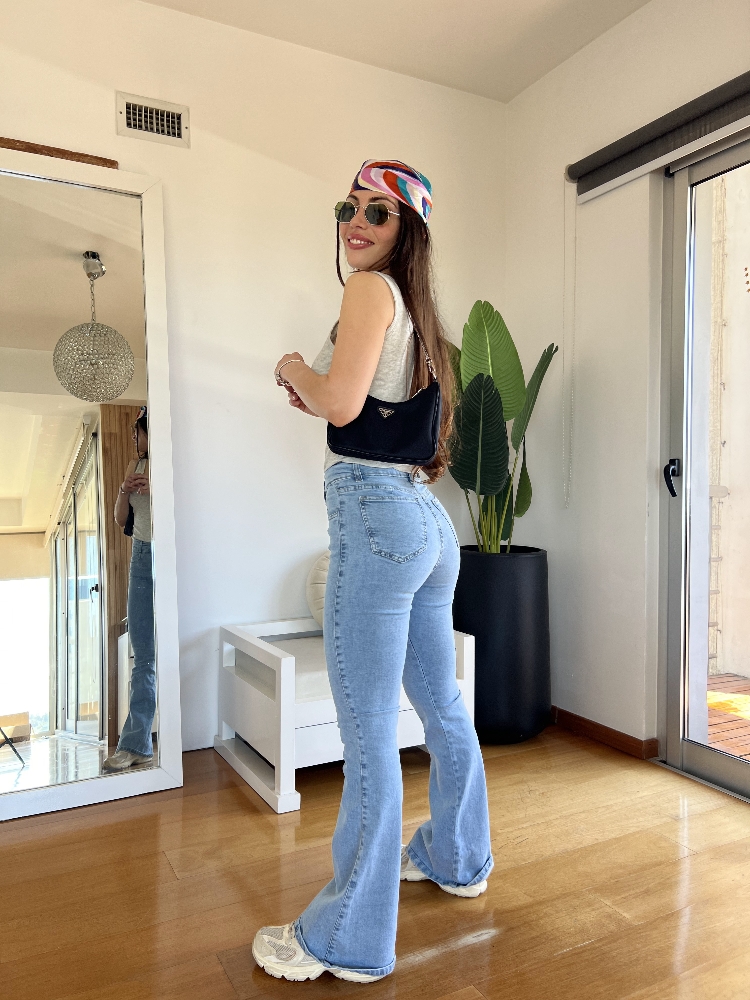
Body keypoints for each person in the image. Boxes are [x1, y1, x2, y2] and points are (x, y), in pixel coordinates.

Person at [253, 161, 493, 984]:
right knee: (441, 705)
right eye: (348, 207)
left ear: (406, 230)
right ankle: (459, 857)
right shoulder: (417, 311)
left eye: (378, 212)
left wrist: (292, 367)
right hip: (426, 520)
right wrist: (320, 390)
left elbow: (342, 406)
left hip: (374, 518)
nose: (356, 222)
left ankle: (347, 939)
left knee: (366, 734)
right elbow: (365, 404)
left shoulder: (366, 289)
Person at [103, 406, 156, 772]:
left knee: (170, 647)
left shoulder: (170, 463)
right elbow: (121, 519)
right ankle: (136, 745)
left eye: (138, 431)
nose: (134, 438)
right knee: (144, 653)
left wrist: (158, 490)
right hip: (140, 555)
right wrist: (124, 489)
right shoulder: (134, 465)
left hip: (169, 555)